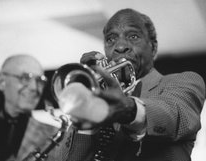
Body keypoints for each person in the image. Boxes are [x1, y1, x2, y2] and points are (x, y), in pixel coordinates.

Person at [53, 8, 206, 161]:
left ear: (153, 47)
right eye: (111, 39)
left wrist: (130, 110)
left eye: (133, 36)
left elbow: (173, 115)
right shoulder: (96, 98)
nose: (120, 47)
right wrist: (85, 115)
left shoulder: (184, 81)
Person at [0, 54, 60, 161]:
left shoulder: (56, 136)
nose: (34, 88)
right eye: (26, 78)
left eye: (40, 81)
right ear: (2, 82)